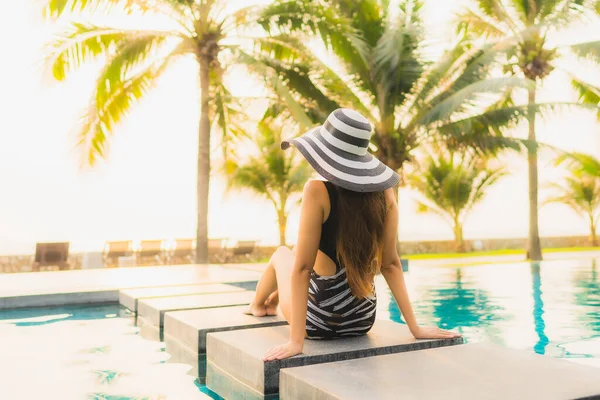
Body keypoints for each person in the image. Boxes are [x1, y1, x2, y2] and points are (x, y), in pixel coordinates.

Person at [245, 108, 461, 361]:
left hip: (318, 323)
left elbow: (302, 268)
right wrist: (415, 328)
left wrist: (295, 341)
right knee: (299, 254)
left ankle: (258, 305)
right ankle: (270, 302)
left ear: (327, 154)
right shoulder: (386, 195)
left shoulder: (317, 191)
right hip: (361, 320)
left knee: (283, 254)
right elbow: (390, 264)